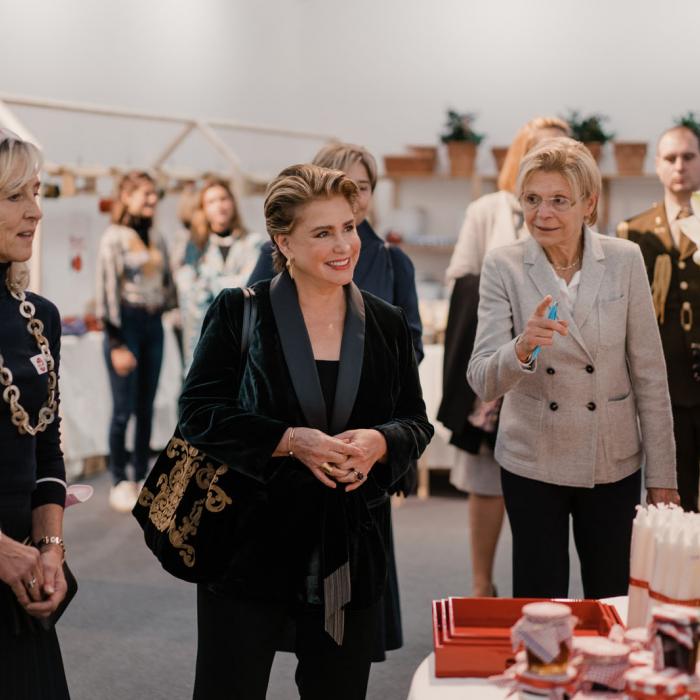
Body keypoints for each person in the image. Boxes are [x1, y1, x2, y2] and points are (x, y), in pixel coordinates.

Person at [178, 164, 433, 699]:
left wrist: (381, 442)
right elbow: (199, 413)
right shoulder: (237, 312)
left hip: (347, 551)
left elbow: (415, 420)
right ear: (283, 241)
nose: (344, 245)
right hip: (249, 549)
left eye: (348, 226)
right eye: (323, 233)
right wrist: (292, 439)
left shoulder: (385, 322)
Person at [467, 137, 679, 599]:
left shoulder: (624, 259)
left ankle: (608, 676)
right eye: (532, 199)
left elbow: (649, 375)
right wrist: (523, 347)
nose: (543, 213)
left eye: (559, 200)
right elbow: (482, 376)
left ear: (589, 203)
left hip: (612, 458)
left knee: (611, 597)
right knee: (540, 603)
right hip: (532, 460)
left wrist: (663, 477)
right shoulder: (503, 265)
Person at [438, 116, 569, 597]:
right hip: (497, 363)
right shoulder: (488, 209)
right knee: (486, 479)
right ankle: (480, 583)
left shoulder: (579, 212)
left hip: (557, 364)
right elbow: (464, 283)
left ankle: (542, 593)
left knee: (547, 486)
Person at [0, 128, 70, 698]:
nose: (36, 212)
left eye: (37, 192)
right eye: (15, 196)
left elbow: (46, 446)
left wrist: (50, 550)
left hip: (23, 579)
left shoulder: (38, 318)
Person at [247, 142, 424, 363]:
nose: (354, 197)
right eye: (345, 183)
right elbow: (249, 327)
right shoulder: (275, 253)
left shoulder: (393, 262)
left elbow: (412, 345)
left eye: (363, 187)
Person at [617, 125, 700, 512]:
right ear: (657, 165)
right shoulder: (633, 231)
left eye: (688, 156)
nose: (679, 166)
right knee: (674, 493)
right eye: (670, 158)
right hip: (668, 378)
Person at [96, 171, 176, 512]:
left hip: (153, 322)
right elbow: (105, 289)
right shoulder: (114, 238)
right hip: (125, 323)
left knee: (146, 406)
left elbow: (168, 282)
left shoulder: (156, 236)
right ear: (126, 196)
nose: (152, 200)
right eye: (144, 194)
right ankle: (118, 479)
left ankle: (142, 476)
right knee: (123, 409)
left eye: (154, 194)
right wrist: (115, 341)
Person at [172, 177, 265, 373]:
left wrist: (210, 284)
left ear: (233, 202)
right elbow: (187, 289)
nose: (219, 206)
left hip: (241, 336)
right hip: (203, 336)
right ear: (203, 208)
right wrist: (227, 286)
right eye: (211, 202)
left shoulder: (252, 242)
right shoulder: (194, 247)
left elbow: (251, 285)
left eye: (223, 199)